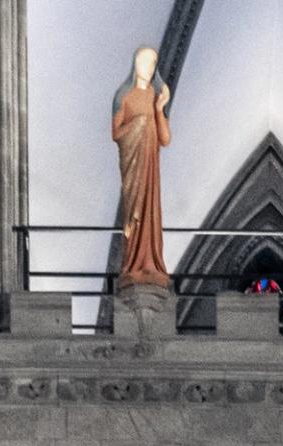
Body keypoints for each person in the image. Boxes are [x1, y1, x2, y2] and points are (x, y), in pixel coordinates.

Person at [113, 48, 174, 292]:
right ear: (135, 64)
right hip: (134, 169)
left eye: (152, 64)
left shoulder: (154, 97)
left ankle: (151, 264)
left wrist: (159, 109)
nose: (147, 68)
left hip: (151, 170)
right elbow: (115, 133)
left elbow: (166, 138)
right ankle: (132, 265)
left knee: (151, 216)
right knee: (133, 217)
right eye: (143, 62)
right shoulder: (124, 97)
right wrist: (138, 125)